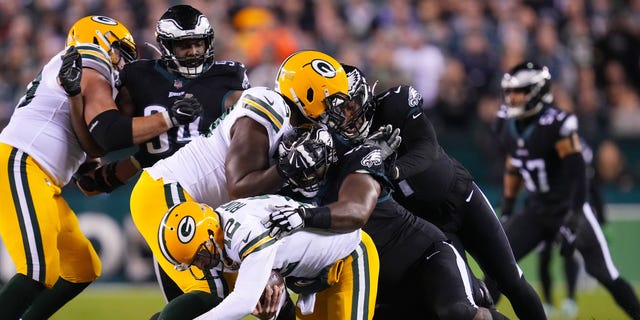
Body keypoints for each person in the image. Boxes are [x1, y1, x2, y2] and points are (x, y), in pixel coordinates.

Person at [263, 61, 507, 319]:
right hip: (381, 283)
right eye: (300, 169)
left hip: (424, 256)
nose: (309, 174)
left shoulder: (355, 161)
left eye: (314, 164)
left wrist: (304, 217)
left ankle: (474, 292)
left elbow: (353, 211)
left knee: (457, 313)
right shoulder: (288, 200)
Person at [0, 15, 201, 320]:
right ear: (100, 42)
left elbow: (94, 144)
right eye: (121, 52)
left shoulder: (75, 69)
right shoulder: (89, 58)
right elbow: (108, 131)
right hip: (21, 160)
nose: (123, 64)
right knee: (37, 269)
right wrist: (168, 118)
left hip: (41, 173)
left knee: (82, 268)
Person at [128, 50, 348, 319]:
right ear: (308, 94)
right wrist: (286, 168)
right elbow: (239, 188)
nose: (336, 110)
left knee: (267, 298)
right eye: (330, 100)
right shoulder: (269, 106)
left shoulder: (306, 134)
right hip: (171, 193)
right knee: (212, 293)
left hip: (214, 217)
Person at [72, 5, 250, 304]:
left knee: (234, 296)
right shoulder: (139, 77)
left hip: (218, 197)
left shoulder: (229, 77)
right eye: (184, 45)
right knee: (196, 298)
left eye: (198, 43)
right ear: (166, 47)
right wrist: (94, 161)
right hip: (167, 198)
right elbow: (112, 132)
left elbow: (250, 138)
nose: (193, 51)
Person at [340, 64, 545, 319]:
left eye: (351, 105)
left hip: (461, 197)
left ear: (365, 96)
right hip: (428, 227)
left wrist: (390, 171)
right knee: (465, 302)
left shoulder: (394, 105)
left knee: (511, 280)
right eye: (340, 109)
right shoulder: (339, 145)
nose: (348, 115)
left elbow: (427, 148)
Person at [492, 61, 640, 319]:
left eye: (519, 91)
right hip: (536, 209)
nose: (511, 98)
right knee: (498, 267)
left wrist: (574, 214)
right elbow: (514, 164)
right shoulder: (505, 122)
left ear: (536, 92)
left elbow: (578, 172)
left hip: (567, 206)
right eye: (510, 91)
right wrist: (508, 204)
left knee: (604, 273)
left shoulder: (557, 124)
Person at [157, 196, 378, 320]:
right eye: (194, 262)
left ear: (209, 231)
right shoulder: (222, 231)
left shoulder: (243, 234)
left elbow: (243, 302)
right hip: (308, 279)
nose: (202, 264)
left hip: (346, 257)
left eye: (200, 255)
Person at [531, 137, 607, 318]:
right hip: (545, 210)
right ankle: (548, 301)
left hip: (566, 210)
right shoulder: (544, 148)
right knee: (544, 256)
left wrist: (601, 218)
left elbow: (590, 185)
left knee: (568, 252)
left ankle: (571, 299)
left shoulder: (577, 150)